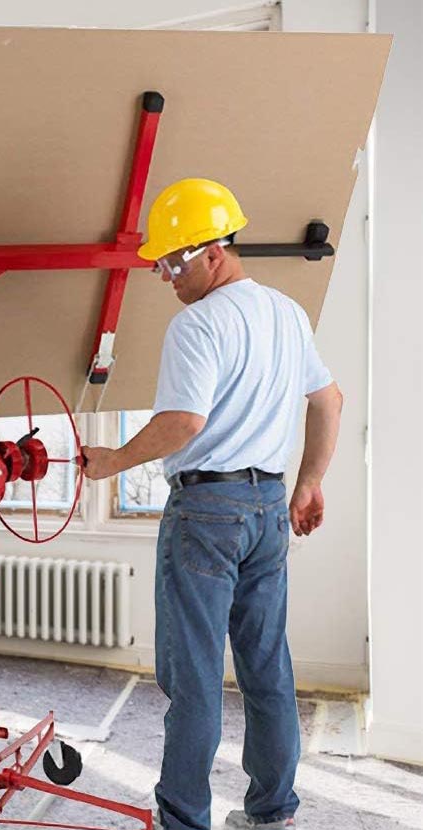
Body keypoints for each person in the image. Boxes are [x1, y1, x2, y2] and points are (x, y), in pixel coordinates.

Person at [80, 178, 343, 830]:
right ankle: (271, 813)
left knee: (194, 681)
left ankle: (183, 823)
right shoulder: (286, 312)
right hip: (266, 505)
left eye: (174, 262)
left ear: (213, 252)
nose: (167, 277)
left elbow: (184, 423)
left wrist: (110, 462)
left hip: (206, 514)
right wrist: (307, 483)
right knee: (267, 668)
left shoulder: (198, 323)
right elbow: (329, 400)